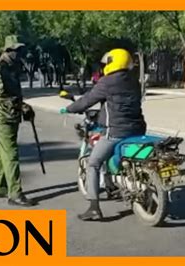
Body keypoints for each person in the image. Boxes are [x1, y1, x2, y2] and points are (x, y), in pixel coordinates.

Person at [60, 48, 147, 221]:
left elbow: (87, 100)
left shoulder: (107, 82)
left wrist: (69, 108)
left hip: (116, 131)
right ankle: (115, 184)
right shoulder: (134, 81)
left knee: (93, 162)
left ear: (111, 63)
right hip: (138, 128)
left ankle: (94, 208)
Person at [0, 35, 37, 207]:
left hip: (11, 115)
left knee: (2, 152)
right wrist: (22, 106)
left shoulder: (11, 66)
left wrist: (22, 106)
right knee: (11, 154)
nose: (19, 53)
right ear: (7, 50)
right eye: (16, 50)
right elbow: (0, 95)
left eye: (20, 50)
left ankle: (0, 187)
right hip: (2, 116)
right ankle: (15, 193)